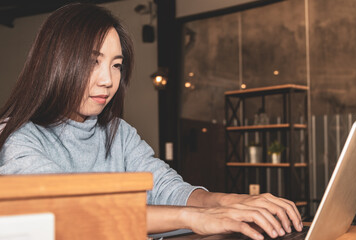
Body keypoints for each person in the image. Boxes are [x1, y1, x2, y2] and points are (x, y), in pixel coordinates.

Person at [0, 3, 303, 240]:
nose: (108, 80)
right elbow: (71, 213)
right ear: (57, 62)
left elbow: (168, 190)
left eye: (116, 65)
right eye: (93, 62)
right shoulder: (18, 137)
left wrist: (232, 201)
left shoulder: (119, 133)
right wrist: (191, 218)